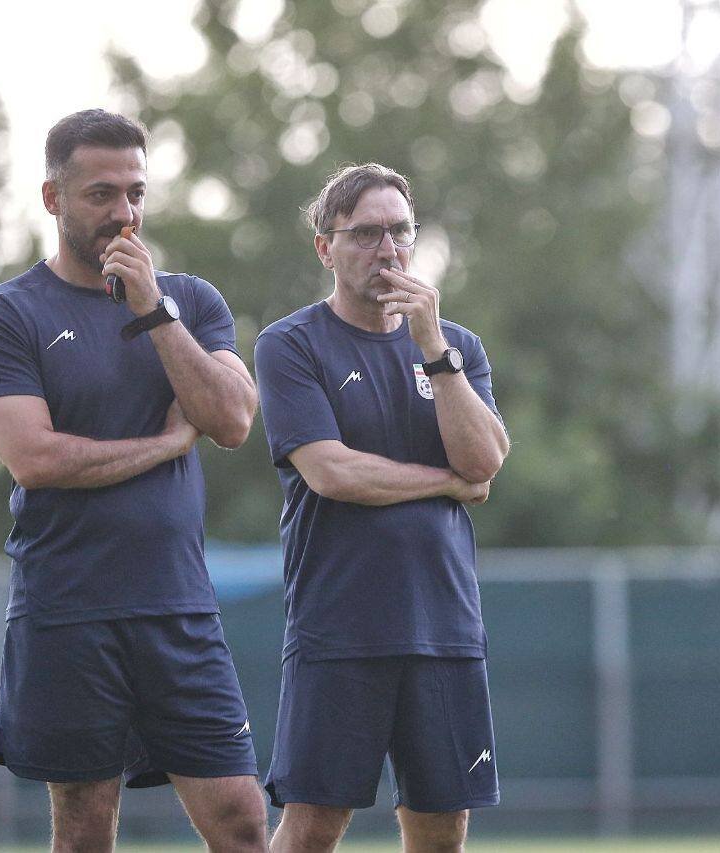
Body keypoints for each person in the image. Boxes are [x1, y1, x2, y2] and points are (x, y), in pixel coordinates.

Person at [0, 109, 267, 852]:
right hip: (68, 609)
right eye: (100, 193)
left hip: (180, 609)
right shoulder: (6, 315)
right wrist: (165, 445)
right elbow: (36, 459)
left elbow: (231, 420)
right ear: (52, 198)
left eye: (135, 192)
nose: (124, 213)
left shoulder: (190, 301)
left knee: (241, 820)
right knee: (84, 831)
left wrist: (154, 311)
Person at [254, 163, 509, 852]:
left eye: (400, 231)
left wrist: (434, 350)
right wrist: (445, 482)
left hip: (444, 628)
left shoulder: (456, 346)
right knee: (312, 826)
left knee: (442, 831)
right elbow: (332, 472)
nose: (387, 249)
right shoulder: (290, 344)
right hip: (341, 627)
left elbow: (485, 462)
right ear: (326, 247)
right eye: (365, 233)